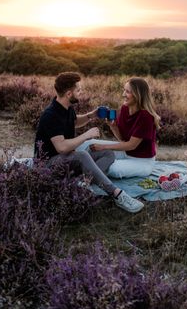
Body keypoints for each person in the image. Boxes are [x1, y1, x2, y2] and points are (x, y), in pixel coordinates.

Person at [34, 72, 144, 213]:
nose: (81, 92)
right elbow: (61, 147)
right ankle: (117, 194)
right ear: (69, 94)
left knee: (108, 153)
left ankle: (83, 183)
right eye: (78, 90)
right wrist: (86, 135)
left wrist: (91, 115)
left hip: (66, 160)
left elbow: (74, 122)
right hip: (47, 165)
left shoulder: (66, 107)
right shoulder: (51, 115)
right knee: (82, 156)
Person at [86, 77, 160, 178]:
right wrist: (113, 126)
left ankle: (91, 170)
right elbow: (123, 140)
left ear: (138, 95)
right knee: (90, 144)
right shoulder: (125, 108)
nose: (123, 94)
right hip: (125, 152)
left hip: (142, 161)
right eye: (124, 90)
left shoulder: (146, 116)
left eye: (127, 92)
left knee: (113, 169)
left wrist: (103, 147)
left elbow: (131, 145)